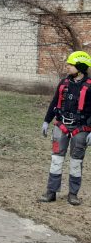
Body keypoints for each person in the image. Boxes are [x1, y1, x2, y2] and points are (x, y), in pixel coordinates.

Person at [38, 51, 91, 206]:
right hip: (61, 126)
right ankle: (51, 192)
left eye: (70, 64)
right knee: (56, 160)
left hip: (81, 129)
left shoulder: (90, 86)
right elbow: (55, 102)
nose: (67, 66)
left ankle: (73, 194)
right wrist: (46, 121)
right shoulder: (64, 83)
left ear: (80, 67)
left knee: (76, 162)